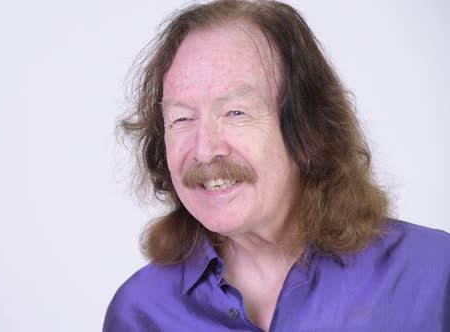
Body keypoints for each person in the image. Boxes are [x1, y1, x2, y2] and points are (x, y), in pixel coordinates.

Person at [103, 0, 450, 331]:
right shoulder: (140, 313)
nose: (205, 150)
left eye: (236, 112)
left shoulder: (433, 277)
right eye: (180, 119)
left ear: (308, 128)